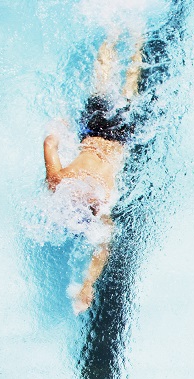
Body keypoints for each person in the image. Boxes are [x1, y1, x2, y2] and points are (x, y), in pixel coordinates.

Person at [43, 31, 144, 314]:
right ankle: (121, 35)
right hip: (100, 131)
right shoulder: (59, 182)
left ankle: (133, 39)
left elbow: (102, 248)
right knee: (107, 77)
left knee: (126, 84)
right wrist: (58, 125)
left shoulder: (95, 201)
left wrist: (88, 285)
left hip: (113, 135)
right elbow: (50, 143)